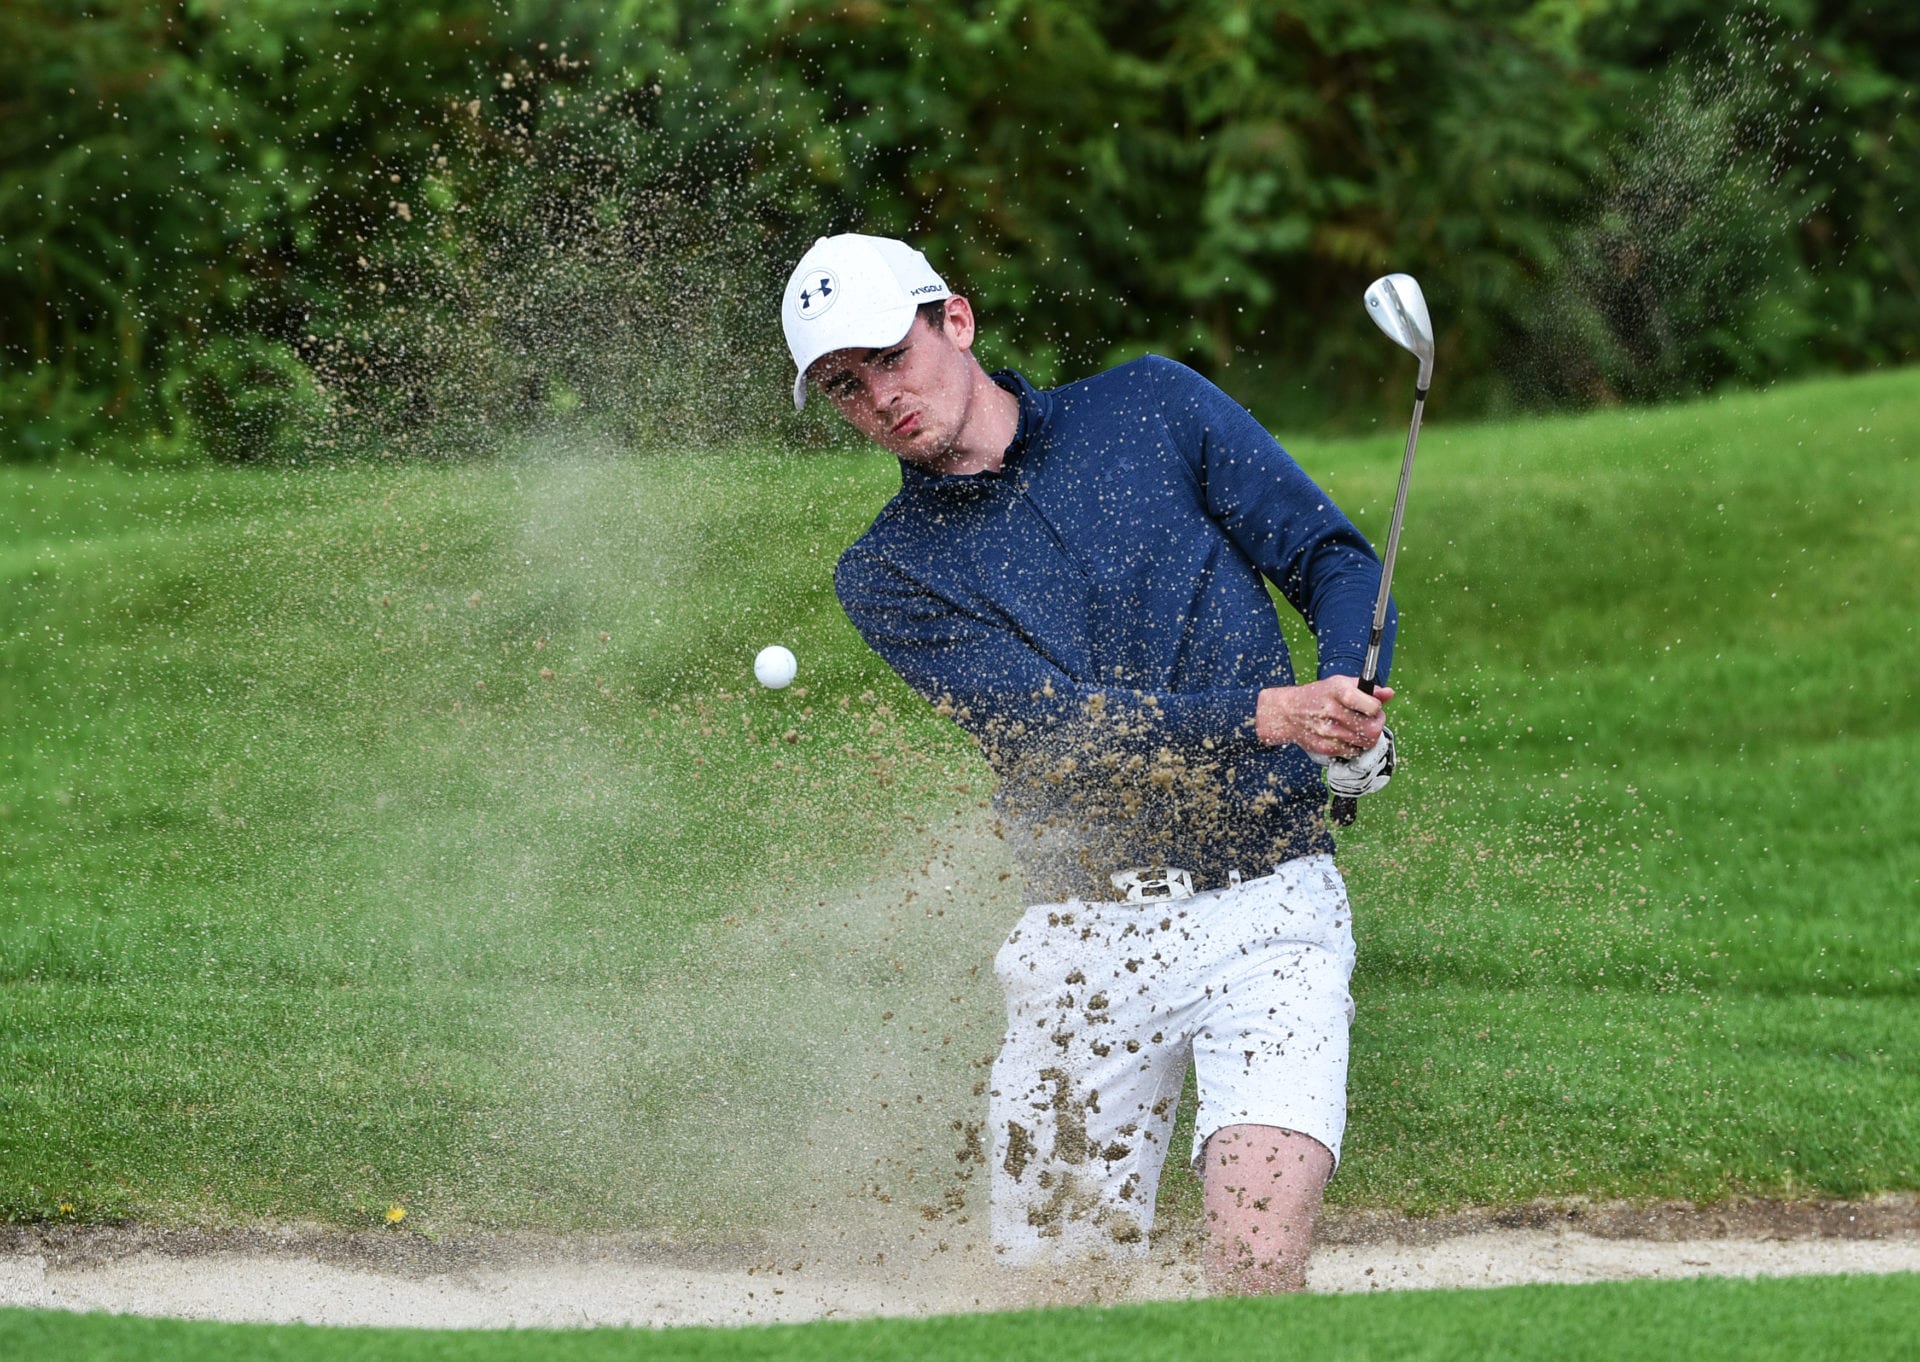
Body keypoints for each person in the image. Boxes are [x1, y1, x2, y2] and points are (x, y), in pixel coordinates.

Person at [780, 232, 1397, 1294]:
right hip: (1081, 949)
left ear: (955, 321)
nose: (880, 397)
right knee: (1056, 1304)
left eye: (891, 356)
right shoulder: (886, 573)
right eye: (844, 386)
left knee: (1256, 1260)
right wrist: (1270, 717)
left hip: (1272, 914)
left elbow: (1332, 558)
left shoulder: (1150, 407)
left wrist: (1343, 699)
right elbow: (1063, 734)